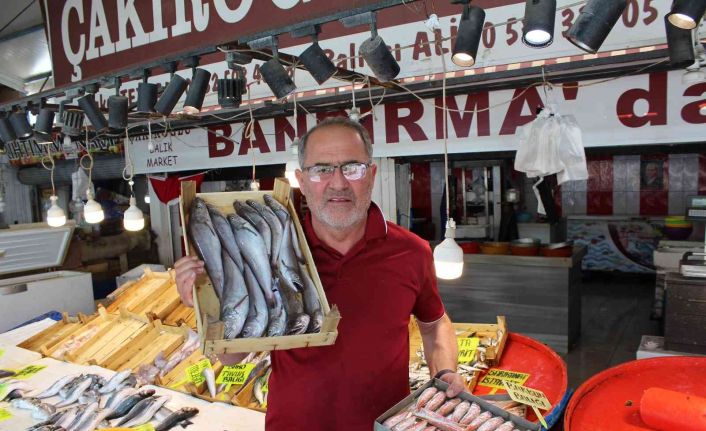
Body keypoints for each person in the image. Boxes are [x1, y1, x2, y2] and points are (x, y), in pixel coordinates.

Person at [175, 117, 465, 430]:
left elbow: (435, 324)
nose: (338, 183)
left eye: (352, 167)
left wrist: (444, 372)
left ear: (372, 174)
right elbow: (232, 357)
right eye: (322, 169)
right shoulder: (271, 251)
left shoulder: (412, 251)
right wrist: (204, 306)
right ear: (301, 178)